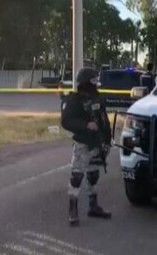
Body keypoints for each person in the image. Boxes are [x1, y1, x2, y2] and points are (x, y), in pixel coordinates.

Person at [61, 67, 112, 227]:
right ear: (85, 82)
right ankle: (72, 211)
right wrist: (85, 125)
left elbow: (104, 120)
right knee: (77, 177)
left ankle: (93, 206)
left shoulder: (98, 98)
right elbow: (66, 121)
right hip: (83, 144)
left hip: (97, 143)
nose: (96, 83)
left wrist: (107, 140)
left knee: (93, 175)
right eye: (93, 80)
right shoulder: (74, 99)